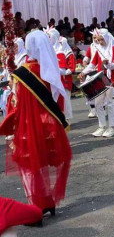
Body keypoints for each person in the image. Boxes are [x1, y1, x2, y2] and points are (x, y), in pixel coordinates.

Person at [0, 30, 72, 215]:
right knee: (41, 165)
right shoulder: (50, 69)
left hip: (28, 126)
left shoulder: (23, 73)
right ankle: (48, 201)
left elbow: (16, 104)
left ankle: (36, 207)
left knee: (30, 169)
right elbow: (57, 99)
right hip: (46, 127)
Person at [79, 28, 114, 137]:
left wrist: (108, 64)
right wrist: (83, 72)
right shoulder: (98, 48)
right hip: (100, 79)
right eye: (99, 39)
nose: (100, 42)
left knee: (110, 103)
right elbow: (92, 64)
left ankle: (112, 127)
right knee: (98, 103)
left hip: (111, 79)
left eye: (102, 39)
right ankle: (101, 126)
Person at [59, 37, 76, 121]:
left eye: (61, 43)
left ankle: (68, 118)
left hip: (66, 78)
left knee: (66, 99)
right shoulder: (57, 52)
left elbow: (72, 67)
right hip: (58, 78)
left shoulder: (69, 53)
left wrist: (63, 72)